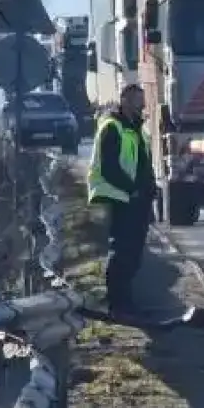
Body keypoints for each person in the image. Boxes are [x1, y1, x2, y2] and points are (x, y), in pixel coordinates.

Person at [86, 84, 159, 312]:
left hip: (136, 199)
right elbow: (109, 168)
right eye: (138, 101)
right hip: (119, 196)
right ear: (125, 101)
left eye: (143, 100)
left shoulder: (136, 129)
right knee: (123, 250)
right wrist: (132, 189)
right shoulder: (112, 128)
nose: (143, 105)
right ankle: (117, 302)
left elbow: (143, 164)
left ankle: (126, 300)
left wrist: (150, 187)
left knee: (133, 252)